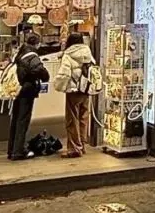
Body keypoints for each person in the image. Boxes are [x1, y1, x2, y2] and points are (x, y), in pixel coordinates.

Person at [54, 31, 96, 157]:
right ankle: (82, 145)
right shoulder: (87, 53)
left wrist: (58, 85)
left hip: (73, 91)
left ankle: (74, 148)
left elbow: (64, 74)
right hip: (85, 90)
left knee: (72, 120)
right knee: (83, 118)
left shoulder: (68, 55)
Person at [7, 31, 48, 160]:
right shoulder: (32, 56)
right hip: (27, 90)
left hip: (18, 90)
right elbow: (39, 70)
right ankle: (19, 151)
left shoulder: (20, 54)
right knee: (23, 120)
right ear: (37, 43)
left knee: (16, 119)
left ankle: (12, 149)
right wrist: (44, 76)